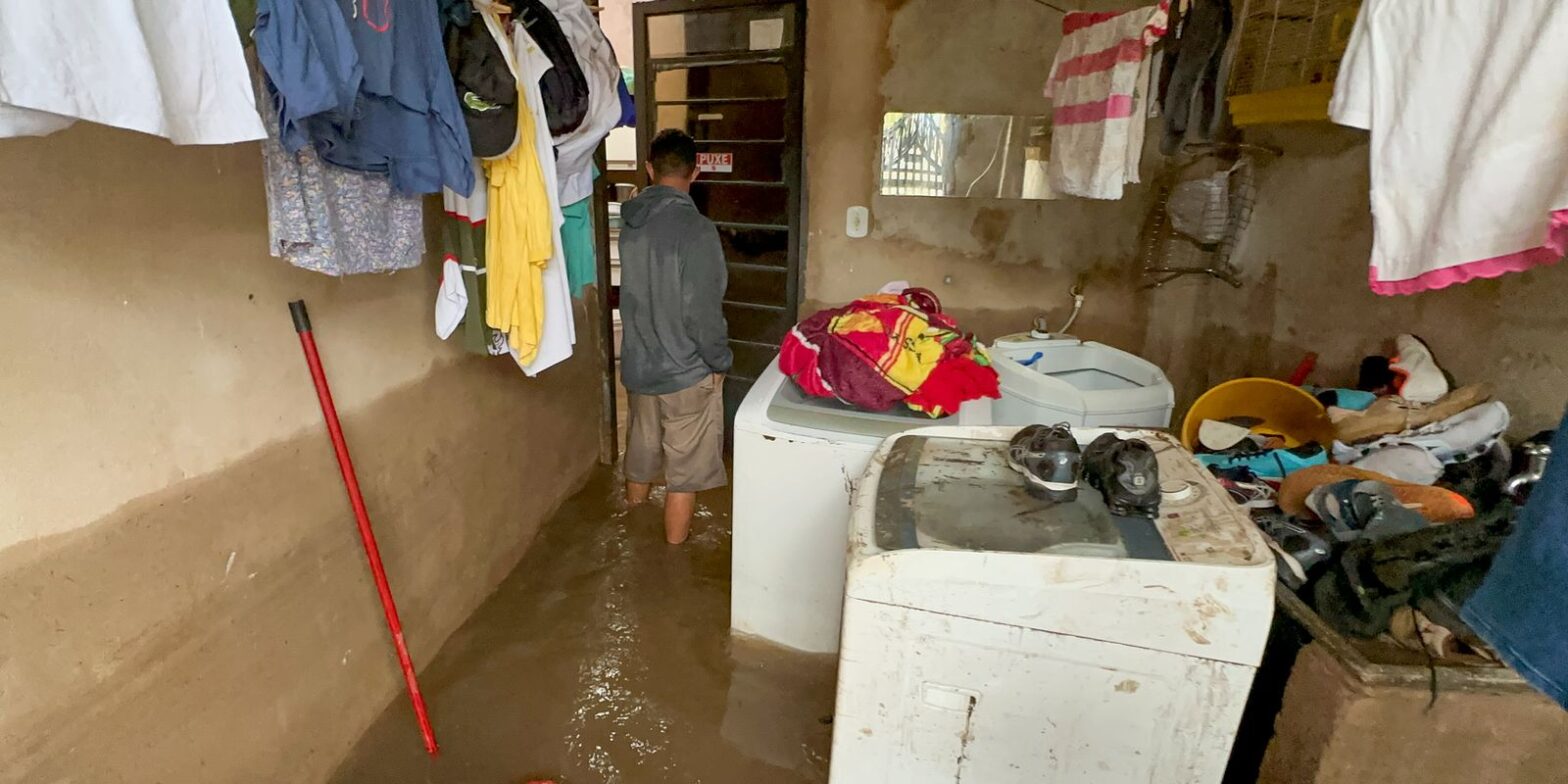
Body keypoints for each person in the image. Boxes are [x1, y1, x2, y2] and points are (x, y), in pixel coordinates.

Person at [619, 128, 732, 544]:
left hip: (638, 366)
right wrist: (719, 361)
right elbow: (702, 311)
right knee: (684, 474)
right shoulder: (697, 229)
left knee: (641, 456)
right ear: (696, 172)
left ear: (650, 169)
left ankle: (630, 536)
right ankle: (671, 561)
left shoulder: (630, 222)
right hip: (684, 371)